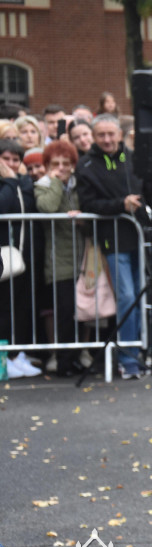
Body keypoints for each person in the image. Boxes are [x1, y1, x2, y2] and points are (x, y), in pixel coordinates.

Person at [76, 114, 148, 379]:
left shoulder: (134, 159)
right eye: (101, 135)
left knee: (142, 296)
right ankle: (128, 359)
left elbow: (148, 190)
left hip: (140, 237)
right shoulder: (85, 165)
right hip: (112, 240)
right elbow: (88, 204)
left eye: (110, 134)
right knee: (127, 297)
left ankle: (141, 351)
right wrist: (120, 205)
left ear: (120, 134)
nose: (107, 140)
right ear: (94, 137)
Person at [33, 141, 84, 377]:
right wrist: (55, 182)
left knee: (83, 310)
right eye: (56, 163)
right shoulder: (43, 186)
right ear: (46, 166)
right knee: (63, 312)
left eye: (66, 163)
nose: (62, 168)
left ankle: (78, 357)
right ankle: (63, 361)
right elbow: (47, 208)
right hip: (58, 261)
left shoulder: (79, 186)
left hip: (82, 258)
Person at [0, 139, 42, 378]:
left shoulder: (24, 181)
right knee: (4, 308)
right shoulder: (10, 182)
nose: (11, 164)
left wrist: (17, 181)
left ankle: (17, 353)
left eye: (16, 160)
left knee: (21, 306)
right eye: (6, 159)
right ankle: (5, 357)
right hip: (3, 253)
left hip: (24, 253)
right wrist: (10, 181)